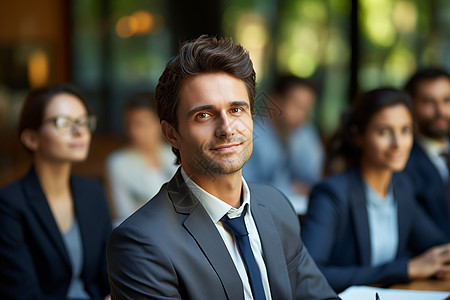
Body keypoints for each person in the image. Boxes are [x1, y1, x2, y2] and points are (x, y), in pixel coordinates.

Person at [107, 35, 339, 300]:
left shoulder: (276, 207)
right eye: (203, 115)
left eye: (237, 110)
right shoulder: (142, 242)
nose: (226, 129)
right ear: (171, 134)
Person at [301, 88, 450, 293]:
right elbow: (310, 274)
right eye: (384, 132)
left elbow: (435, 244)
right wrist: (405, 269)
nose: (398, 143)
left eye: (405, 130)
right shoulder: (331, 194)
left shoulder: (402, 187)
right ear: (358, 136)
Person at [0, 83, 112, 299]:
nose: (79, 131)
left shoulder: (93, 192)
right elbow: (22, 293)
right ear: (31, 138)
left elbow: (109, 275)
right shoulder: (9, 204)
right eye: (63, 123)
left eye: (83, 121)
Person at [243, 75, 324, 214]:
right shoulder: (250, 136)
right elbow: (245, 187)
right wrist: (291, 188)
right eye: (297, 105)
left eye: (307, 108)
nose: (302, 114)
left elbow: (314, 178)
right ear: (275, 101)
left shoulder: (305, 133)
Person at [105, 92, 177, 225]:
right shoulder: (118, 163)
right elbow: (123, 214)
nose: (133, 132)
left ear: (159, 124)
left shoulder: (174, 154)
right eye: (129, 124)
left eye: (141, 124)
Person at [403, 68, 450, 237]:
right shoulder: (403, 162)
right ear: (410, 106)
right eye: (429, 101)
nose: (440, 111)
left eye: (447, 100)